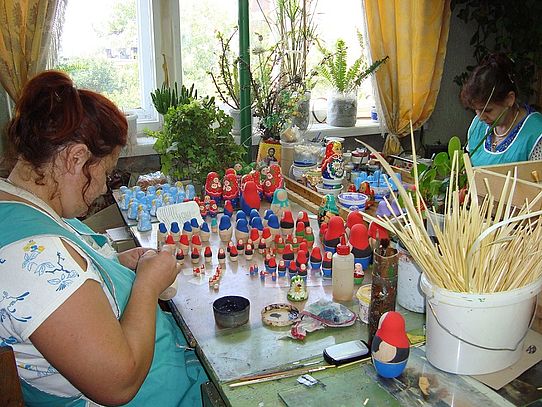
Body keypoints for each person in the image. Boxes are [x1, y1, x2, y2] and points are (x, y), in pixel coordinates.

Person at [0, 71, 208, 406]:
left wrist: (116, 266)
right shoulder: (31, 257)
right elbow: (119, 384)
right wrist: (146, 286)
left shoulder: (17, 204)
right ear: (76, 158)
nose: (101, 189)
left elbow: (73, 276)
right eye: (105, 174)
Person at [461, 53, 542, 166]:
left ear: (509, 99)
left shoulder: (536, 133)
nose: (480, 117)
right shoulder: (477, 126)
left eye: (488, 110)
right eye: (477, 110)